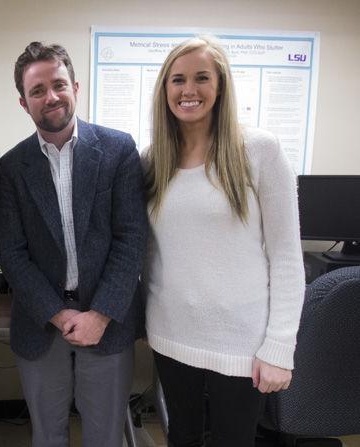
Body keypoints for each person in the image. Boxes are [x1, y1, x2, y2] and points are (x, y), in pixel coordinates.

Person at [143, 35, 305, 446]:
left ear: (221, 86)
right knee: (182, 437)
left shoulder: (259, 151)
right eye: (177, 80)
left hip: (241, 342)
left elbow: (286, 257)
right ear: (165, 89)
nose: (189, 90)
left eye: (202, 78)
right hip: (170, 334)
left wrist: (279, 348)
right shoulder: (152, 161)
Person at [0, 42, 148, 447]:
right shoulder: (10, 168)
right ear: (24, 103)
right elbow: (12, 253)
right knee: (47, 436)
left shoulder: (118, 150)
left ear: (75, 86)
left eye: (58, 84)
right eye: (38, 90)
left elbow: (131, 239)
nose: (51, 96)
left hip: (107, 322)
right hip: (42, 323)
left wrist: (99, 314)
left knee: (105, 436)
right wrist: (59, 315)